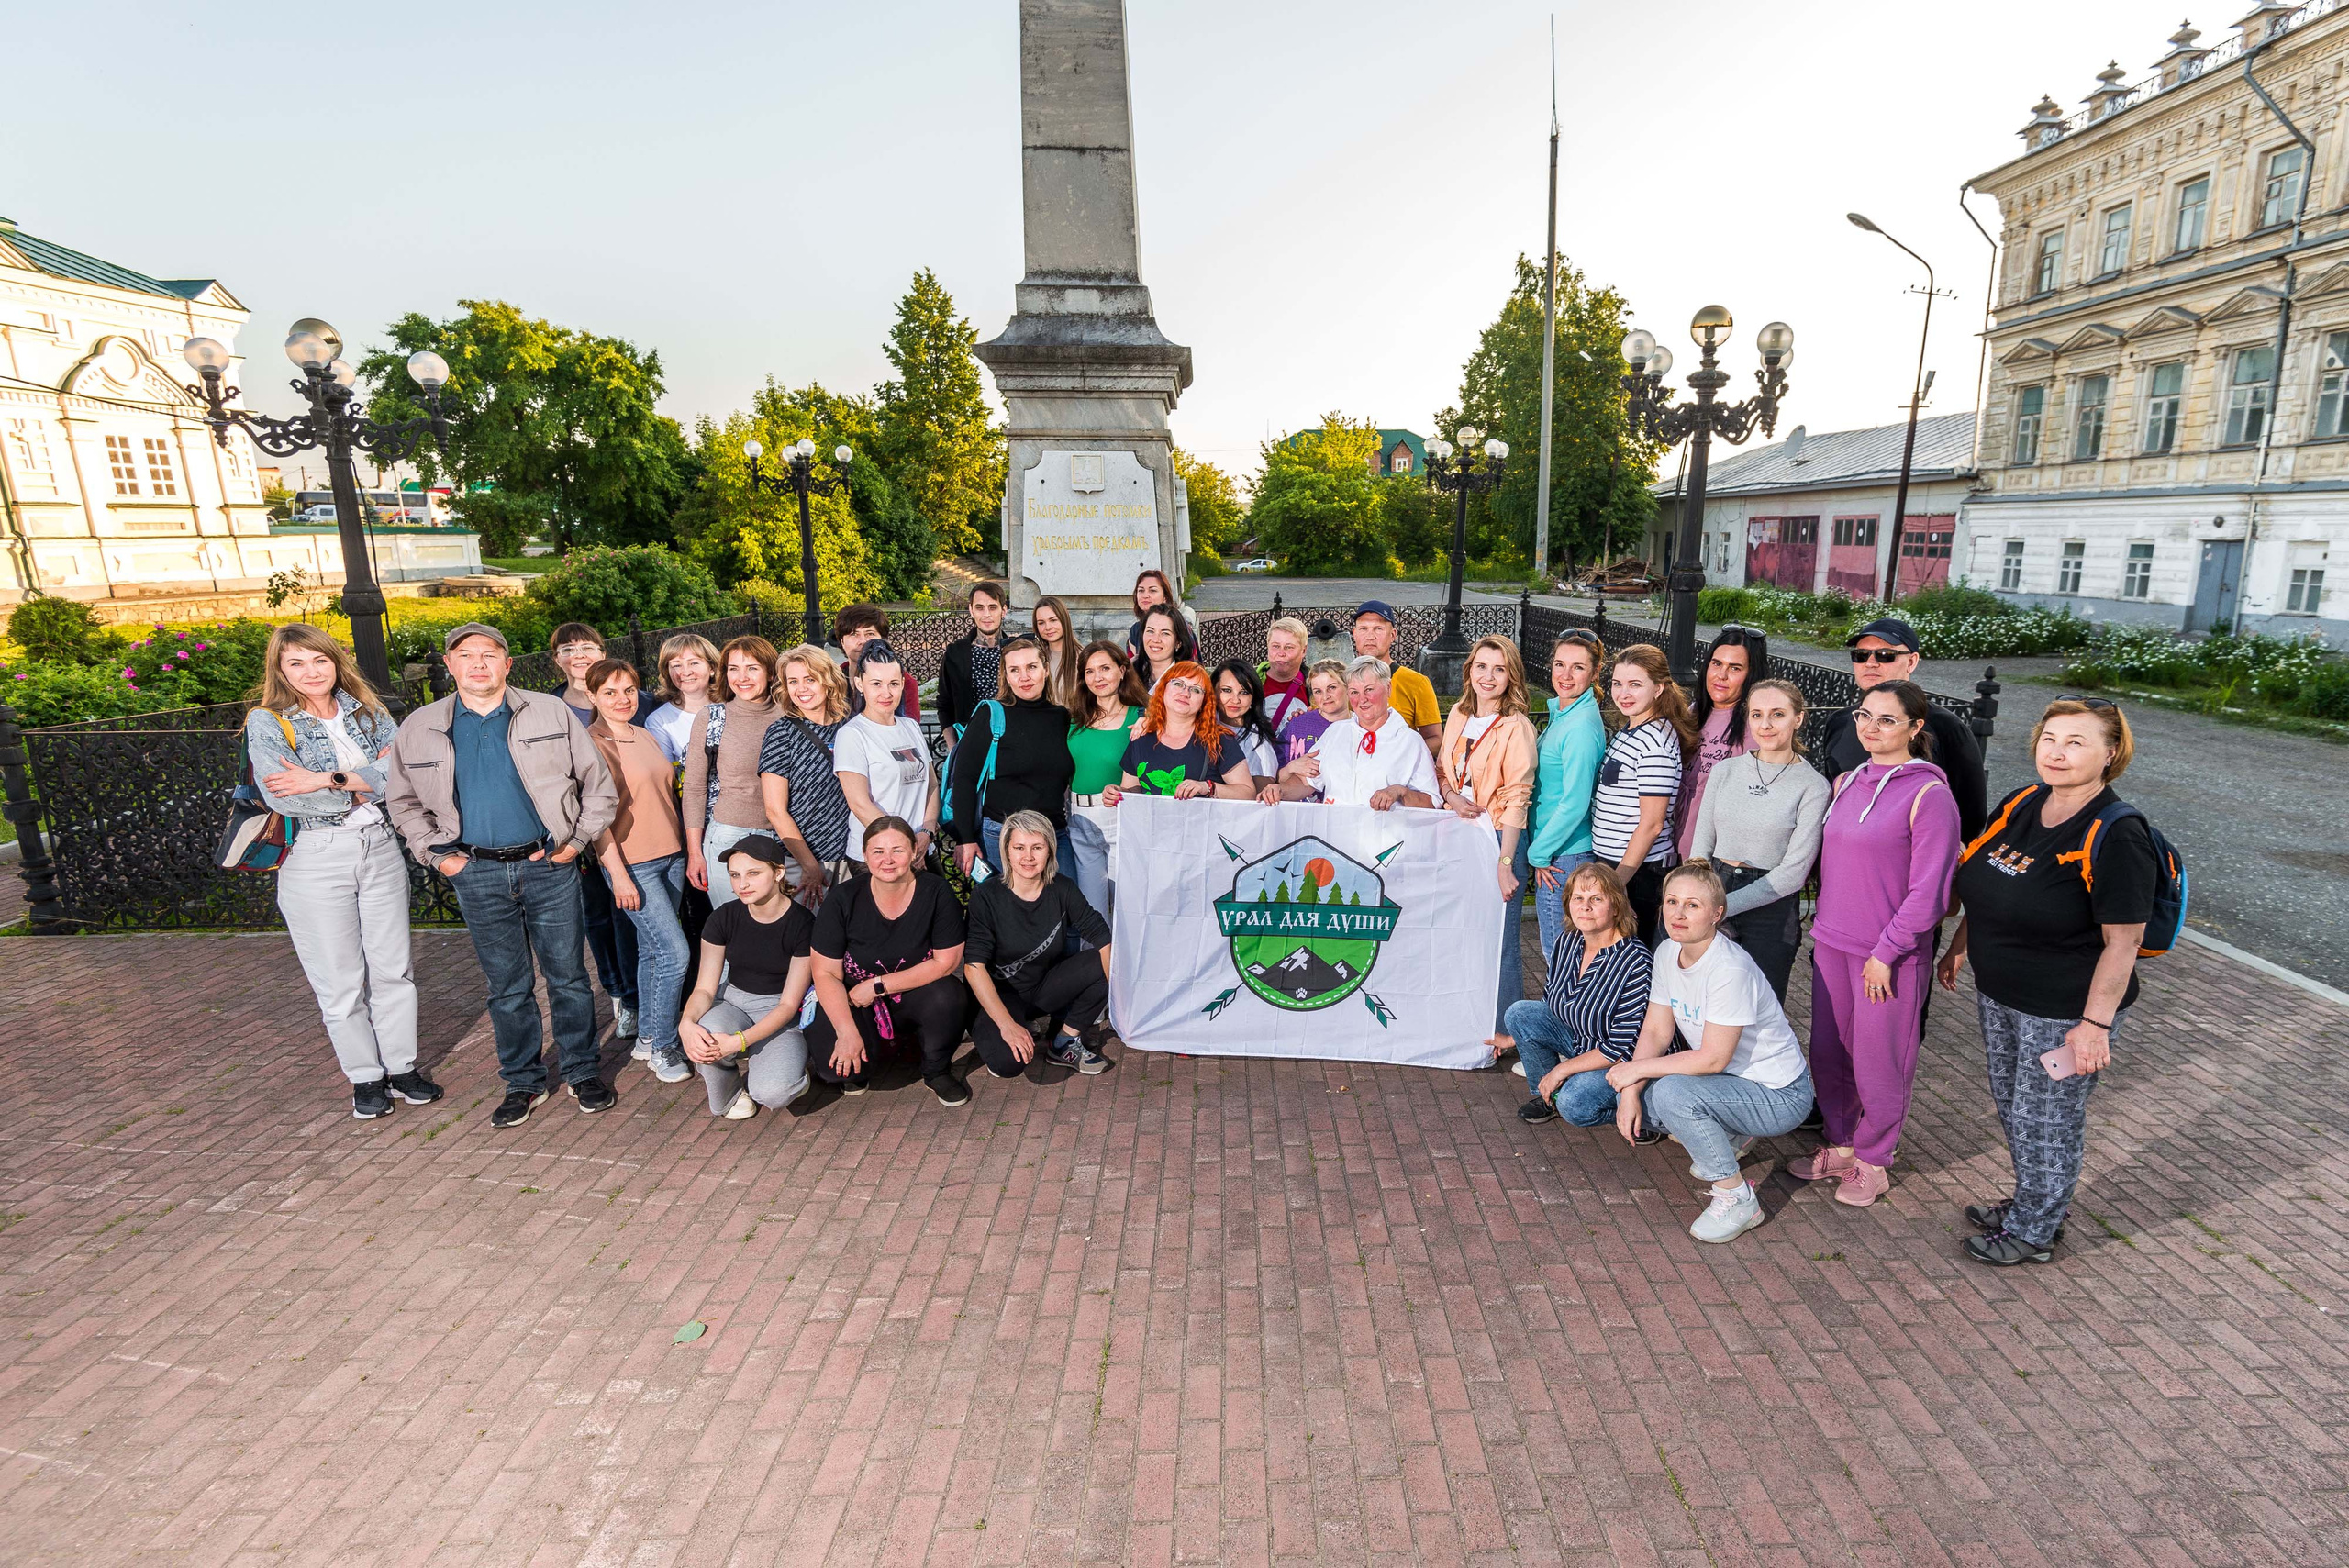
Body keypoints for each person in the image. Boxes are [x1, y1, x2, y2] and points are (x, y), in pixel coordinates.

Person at [1941, 697, 2156, 1266]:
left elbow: (2124, 942)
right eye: (2050, 738)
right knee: (2015, 1108)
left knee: (2047, 1119)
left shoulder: (2119, 834)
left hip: (2064, 1011)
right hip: (2002, 991)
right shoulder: (2022, 802)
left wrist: (2094, 1026)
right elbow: (1986, 882)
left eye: (2077, 742)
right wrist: (1961, 945)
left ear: (2111, 754)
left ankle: (2035, 1230)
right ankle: (2033, 1203)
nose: (2058, 752)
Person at [386, 622, 618, 1128]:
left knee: (570, 978)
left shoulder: (549, 710)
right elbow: (401, 802)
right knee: (508, 988)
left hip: (548, 867)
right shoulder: (420, 726)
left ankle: (581, 1071)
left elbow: (597, 785)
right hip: (477, 873)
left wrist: (574, 844)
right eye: (465, 655)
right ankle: (524, 1082)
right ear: (450, 666)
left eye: (489, 654)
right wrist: (439, 856)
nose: (478, 664)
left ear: (506, 663)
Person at [245, 623, 433, 1120]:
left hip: (379, 846)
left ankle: (402, 1067)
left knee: (395, 969)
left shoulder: (369, 712)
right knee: (340, 979)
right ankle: (365, 1077)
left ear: (336, 661)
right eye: (297, 663)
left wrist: (328, 777)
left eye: (319, 660)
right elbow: (283, 793)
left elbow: (404, 774)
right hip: (315, 854)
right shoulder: (267, 723)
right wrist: (363, 780)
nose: (311, 672)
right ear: (280, 670)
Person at [1793, 679, 1962, 1207]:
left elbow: (1930, 892)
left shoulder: (1930, 796)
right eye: (1865, 715)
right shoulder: (1847, 782)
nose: (1871, 727)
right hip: (1831, 942)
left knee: (1879, 1060)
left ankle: (1874, 1160)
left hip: (1886, 956)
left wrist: (1887, 953)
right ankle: (1842, 1145)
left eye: (1887, 720)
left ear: (1915, 728)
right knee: (1830, 1052)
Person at [1613, 861, 1817, 1245]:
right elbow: (1657, 1029)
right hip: (1734, 1082)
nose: (1678, 912)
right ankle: (1735, 1131)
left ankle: (1738, 1198)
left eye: (1692, 905)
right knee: (1649, 1101)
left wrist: (1632, 1073)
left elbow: (1712, 1059)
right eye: (1672, 901)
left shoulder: (1728, 969)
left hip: (1780, 1095)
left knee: (1670, 1094)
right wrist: (1629, 1090)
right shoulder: (1668, 951)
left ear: (1717, 913)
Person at [806, 817, 971, 1105]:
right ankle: (878, 1047)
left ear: (913, 852)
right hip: (854, 999)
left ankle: (936, 1069)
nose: (888, 860)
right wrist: (846, 1032)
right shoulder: (843, 898)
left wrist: (879, 986)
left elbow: (947, 961)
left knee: (950, 995)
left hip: (912, 993)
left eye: (898, 850)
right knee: (836, 1073)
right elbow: (825, 973)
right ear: (865, 855)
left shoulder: (936, 892)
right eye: (878, 851)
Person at [584, 658, 693, 1085]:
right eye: (609, 692)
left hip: (672, 855)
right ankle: (665, 1047)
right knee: (674, 953)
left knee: (652, 953)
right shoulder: (592, 743)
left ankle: (648, 1036)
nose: (622, 699)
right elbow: (595, 819)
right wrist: (619, 875)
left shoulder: (643, 733)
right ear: (592, 696)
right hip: (633, 863)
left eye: (628, 690)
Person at [1687, 678, 1830, 1001]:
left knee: (1758, 1005)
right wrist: (1698, 896)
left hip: (1771, 905)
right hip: (1716, 884)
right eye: (1756, 714)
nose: (1765, 725)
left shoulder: (1813, 786)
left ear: (1798, 718)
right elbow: (1702, 845)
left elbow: (1794, 871)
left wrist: (1723, 908)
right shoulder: (1726, 771)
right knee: (1705, 1000)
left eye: (1777, 714)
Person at [1487, 862, 1652, 1129]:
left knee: (1574, 1105)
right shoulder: (1568, 941)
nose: (1585, 907)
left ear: (1616, 907)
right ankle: (1548, 1096)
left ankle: (1646, 1119)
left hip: (1622, 1060)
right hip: (1581, 1041)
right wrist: (1514, 1038)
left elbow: (1620, 1047)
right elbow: (1550, 1002)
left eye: (1596, 899)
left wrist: (1561, 1070)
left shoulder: (1635, 961)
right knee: (1520, 1013)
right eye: (1578, 898)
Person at [546, 621, 645, 1038]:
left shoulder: (636, 702)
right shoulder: (544, 707)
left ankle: (642, 994)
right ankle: (620, 993)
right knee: (598, 918)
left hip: (630, 831)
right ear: (557, 661)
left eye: (588, 646)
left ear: (603, 652)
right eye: (568, 649)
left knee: (630, 916)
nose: (579, 654)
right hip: (577, 835)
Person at [1436, 635, 1539, 1030]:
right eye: (1481, 666)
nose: (1488, 676)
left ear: (1511, 675)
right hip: (1461, 832)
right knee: (1464, 931)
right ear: (1470, 670)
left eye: (1499, 668)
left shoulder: (1517, 727)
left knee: (1500, 941)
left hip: (1498, 837)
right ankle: (1466, 1016)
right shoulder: (1460, 714)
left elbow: (1517, 796)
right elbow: (1445, 771)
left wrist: (1506, 862)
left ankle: (1504, 1030)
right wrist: (1451, 798)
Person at [964, 810, 1116, 1079]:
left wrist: (1121, 998)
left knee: (1108, 962)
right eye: (1019, 847)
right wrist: (1007, 1026)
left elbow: (1100, 935)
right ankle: (1008, 1028)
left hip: (1042, 989)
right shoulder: (986, 896)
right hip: (1000, 997)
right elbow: (973, 967)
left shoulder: (1061, 887)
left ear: (1050, 850)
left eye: (1037, 847)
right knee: (1008, 1064)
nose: (1028, 857)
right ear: (1007, 851)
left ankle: (1064, 1042)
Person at [678, 836, 815, 1120]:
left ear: (778, 873)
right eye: (735, 875)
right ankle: (730, 1094)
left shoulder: (803, 924)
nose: (742, 884)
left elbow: (789, 1005)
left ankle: (787, 1073)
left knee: (774, 1093)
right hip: (734, 1003)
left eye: (754, 873)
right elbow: (705, 988)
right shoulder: (723, 917)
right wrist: (686, 1024)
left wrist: (738, 1042)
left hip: (780, 1014)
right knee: (704, 1034)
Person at [1821, 617, 1987, 842]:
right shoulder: (1841, 721)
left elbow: (1970, 814)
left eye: (1885, 655)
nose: (1870, 663)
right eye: (1860, 655)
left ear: (1911, 662)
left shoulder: (1946, 727)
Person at [1589, 643, 1697, 946]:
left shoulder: (1655, 746)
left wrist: (1618, 882)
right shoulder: (1634, 728)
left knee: (1630, 964)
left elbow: (1652, 823)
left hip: (1637, 872)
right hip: (1616, 865)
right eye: (1617, 684)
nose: (1623, 694)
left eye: (1635, 685)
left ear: (1659, 688)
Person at [948, 637, 1075, 873]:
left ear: (1046, 670)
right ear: (1005, 676)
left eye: (1031, 667)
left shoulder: (1061, 717)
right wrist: (966, 838)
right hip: (1003, 836)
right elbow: (964, 778)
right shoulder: (991, 714)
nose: (1024, 677)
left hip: (1055, 835)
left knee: (1064, 908)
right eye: (1014, 670)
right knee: (1010, 909)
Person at [683, 636, 784, 907]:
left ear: (770, 671)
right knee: (736, 931)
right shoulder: (712, 718)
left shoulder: (790, 715)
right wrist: (695, 852)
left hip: (786, 836)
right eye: (733, 668)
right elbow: (693, 788)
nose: (742, 677)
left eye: (752, 668)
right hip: (731, 835)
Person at [1528, 630, 1607, 966]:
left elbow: (1575, 801)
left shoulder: (1579, 727)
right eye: (1560, 664)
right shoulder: (1566, 715)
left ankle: (1565, 1020)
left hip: (1562, 856)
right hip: (1556, 851)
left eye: (1577, 668)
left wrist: (1538, 853)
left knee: (1559, 957)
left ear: (1594, 673)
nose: (1565, 675)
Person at [1272, 657, 1440, 810]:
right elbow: (1307, 781)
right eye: (1354, 692)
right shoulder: (1336, 732)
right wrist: (1280, 791)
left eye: (1369, 690)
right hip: (1336, 836)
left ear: (1388, 688)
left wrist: (1400, 792)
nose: (1362, 699)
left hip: (1385, 840)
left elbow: (1431, 802)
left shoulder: (1410, 742)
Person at [759, 643, 854, 904]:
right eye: (793, 681)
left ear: (828, 681)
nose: (801, 689)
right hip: (804, 861)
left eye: (809, 679)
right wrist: (809, 865)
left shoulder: (849, 728)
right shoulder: (781, 733)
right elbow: (775, 810)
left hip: (852, 856)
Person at [833, 640, 940, 873]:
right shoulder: (852, 734)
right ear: (860, 684)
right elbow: (860, 804)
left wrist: (927, 831)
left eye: (893, 683)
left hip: (921, 847)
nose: (886, 693)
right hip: (880, 856)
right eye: (876, 684)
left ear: (902, 684)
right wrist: (903, 846)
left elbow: (931, 785)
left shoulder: (910, 727)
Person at [1065, 640, 1145, 921]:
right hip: (1080, 820)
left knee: (1127, 911)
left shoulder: (1140, 718)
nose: (1097, 677)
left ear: (1122, 671)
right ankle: (1095, 966)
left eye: (1105, 668)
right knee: (1093, 914)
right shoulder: (1075, 719)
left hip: (1120, 817)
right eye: (1089, 671)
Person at [1109, 660, 1255, 802]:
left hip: (1203, 826)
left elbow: (1247, 793)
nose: (1185, 693)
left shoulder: (1220, 740)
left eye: (1196, 690)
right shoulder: (1141, 735)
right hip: (1152, 825)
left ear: (1204, 702)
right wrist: (1119, 793)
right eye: (1178, 684)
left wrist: (1208, 787)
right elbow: (1132, 788)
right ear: (1163, 688)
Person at [1675, 626, 1764, 860]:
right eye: (1717, 664)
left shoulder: (1755, 726)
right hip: (1670, 850)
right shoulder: (1695, 711)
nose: (1721, 675)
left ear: (1751, 674)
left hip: (1715, 859)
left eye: (1735, 668)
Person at [1349, 601, 1442, 752]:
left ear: (1392, 635)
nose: (1370, 636)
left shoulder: (1416, 683)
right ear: (1354, 634)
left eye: (1378, 629)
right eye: (1363, 629)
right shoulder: (1342, 681)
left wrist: (1400, 756)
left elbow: (1435, 739)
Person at [938, 580, 1009, 738]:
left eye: (993, 607)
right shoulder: (955, 653)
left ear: (1003, 610)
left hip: (1010, 742)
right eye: (979, 607)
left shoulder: (1014, 651)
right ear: (971, 610)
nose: (986, 614)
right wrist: (953, 748)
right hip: (969, 741)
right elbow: (944, 704)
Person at [834, 604, 921, 721]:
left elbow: (909, 728)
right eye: (854, 634)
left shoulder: (906, 683)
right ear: (842, 641)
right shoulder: (831, 680)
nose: (862, 641)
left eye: (870, 634)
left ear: (883, 639)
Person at [645, 633, 721, 765]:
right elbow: (668, 773)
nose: (685, 672)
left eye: (694, 663)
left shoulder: (733, 705)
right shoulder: (659, 721)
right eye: (676, 665)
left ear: (712, 668)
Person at [1212, 659, 1282, 789]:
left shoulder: (1257, 741)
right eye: (1227, 690)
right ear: (1213, 691)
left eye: (1244, 693)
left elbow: (1262, 791)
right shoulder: (1196, 724)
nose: (1235, 700)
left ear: (1253, 699)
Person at [1276, 659, 1350, 772]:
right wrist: (1291, 768)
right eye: (1318, 691)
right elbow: (1274, 776)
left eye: (1332, 687)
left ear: (1348, 687)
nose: (1325, 696)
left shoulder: (1362, 724)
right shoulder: (1298, 724)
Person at [1257, 617, 1313, 736]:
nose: (1281, 653)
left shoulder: (1314, 685)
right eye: (1276, 646)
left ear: (1303, 650)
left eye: (1289, 647)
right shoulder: (1250, 682)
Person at [1124, 567, 1198, 658]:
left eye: (1153, 591)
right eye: (1141, 590)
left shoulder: (1179, 625)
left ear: (1165, 597)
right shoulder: (1136, 629)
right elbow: (1134, 668)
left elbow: (1192, 665)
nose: (1145, 595)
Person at [1130, 604, 1197, 692]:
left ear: (1178, 642)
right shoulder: (1129, 673)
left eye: (1165, 633)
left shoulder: (1191, 681)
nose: (1156, 640)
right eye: (1150, 631)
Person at [1030, 595, 1081, 709]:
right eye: (1041, 623)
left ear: (1064, 620)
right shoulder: (1035, 656)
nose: (1048, 627)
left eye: (1053, 620)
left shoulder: (1083, 657)